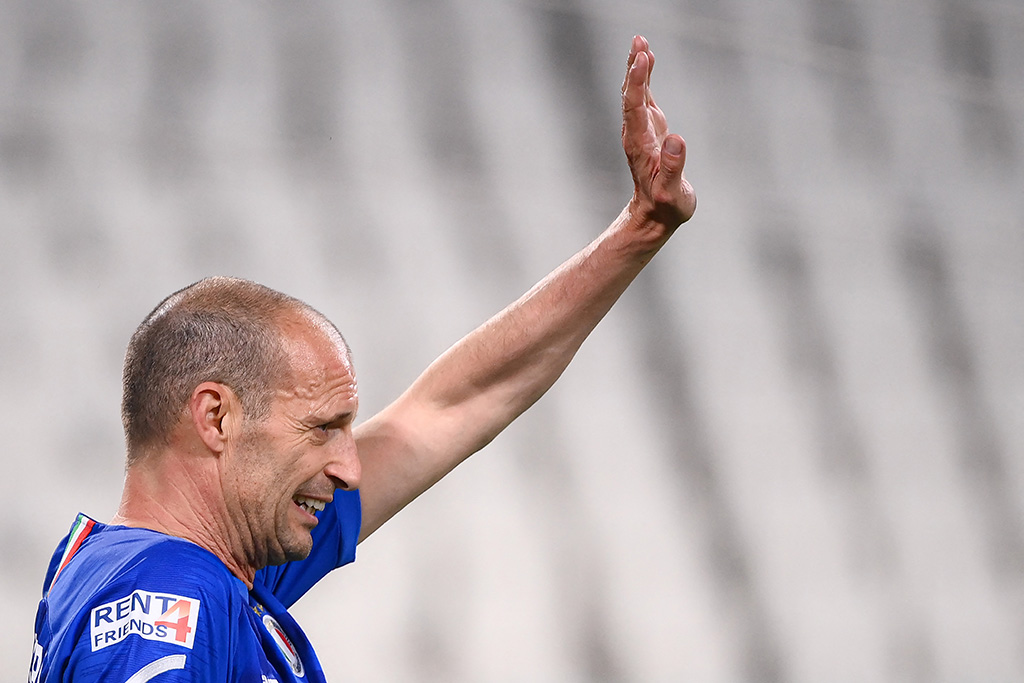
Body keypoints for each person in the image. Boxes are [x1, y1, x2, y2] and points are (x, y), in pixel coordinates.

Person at [29, 35, 696, 682]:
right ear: (217, 417)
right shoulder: (168, 597)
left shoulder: (197, 567)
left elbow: (447, 409)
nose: (349, 468)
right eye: (322, 428)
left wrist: (640, 228)